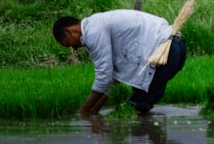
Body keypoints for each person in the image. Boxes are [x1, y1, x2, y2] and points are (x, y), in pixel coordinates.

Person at [53, 9, 187, 117]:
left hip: (164, 52)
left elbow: (104, 76)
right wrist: (94, 110)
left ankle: (151, 142)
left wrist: (82, 112)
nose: (74, 48)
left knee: (136, 108)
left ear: (68, 32)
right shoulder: (96, 24)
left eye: (68, 44)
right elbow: (112, 79)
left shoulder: (93, 33)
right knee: (139, 104)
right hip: (177, 47)